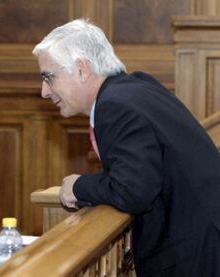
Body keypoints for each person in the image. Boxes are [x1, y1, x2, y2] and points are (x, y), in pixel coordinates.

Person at [33, 18, 220, 277]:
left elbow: (132, 189)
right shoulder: (136, 87)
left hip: (194, 256)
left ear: (82, 69)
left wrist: (77, 186)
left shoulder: (115, 106)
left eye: (48, 77)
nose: (44, 91)